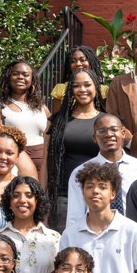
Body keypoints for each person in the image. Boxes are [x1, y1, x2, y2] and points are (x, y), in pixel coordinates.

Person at [59, 161, 137, 273]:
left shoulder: (132, 231)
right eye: (89, 186)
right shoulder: (70, 235)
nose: (95, 191)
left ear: (113, 194)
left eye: (102, 187)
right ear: (82, 192)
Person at [45, 66, 106, 231]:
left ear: (96, 87)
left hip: (100, 198)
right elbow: (46, 161)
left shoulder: (108, 122)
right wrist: (44, 198)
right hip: (64, 198)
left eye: (87, 85)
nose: (82, 90)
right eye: (76, 86)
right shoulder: (57, 122)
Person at [65, 112, 137, 224]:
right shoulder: (81, 172)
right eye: (102, 131)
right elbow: (75, 216)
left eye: (114, 129)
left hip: (132, 235)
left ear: (123, 133)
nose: (109, 134)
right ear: (95, 138)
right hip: (95, 236)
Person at [0, 176, 61, 273]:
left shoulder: (54, 239)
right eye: (16, 195)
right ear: (9, 202)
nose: (22, 200)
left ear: (37, 201)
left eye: (29, 196)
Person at [0, 59, 50, 173]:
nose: (20, 77)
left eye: (25, 75)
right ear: (8, 78)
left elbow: (51, 138)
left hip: (43, 168)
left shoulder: (42, 108)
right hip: (13, 165)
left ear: (32, 80)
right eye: (15, 74)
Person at [49, 45, 109, 112]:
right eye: (73, 61)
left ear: (91, 63)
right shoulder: (60, 89)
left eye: (82, 60)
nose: (78, 64)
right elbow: (57, 117)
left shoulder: (103, 90)